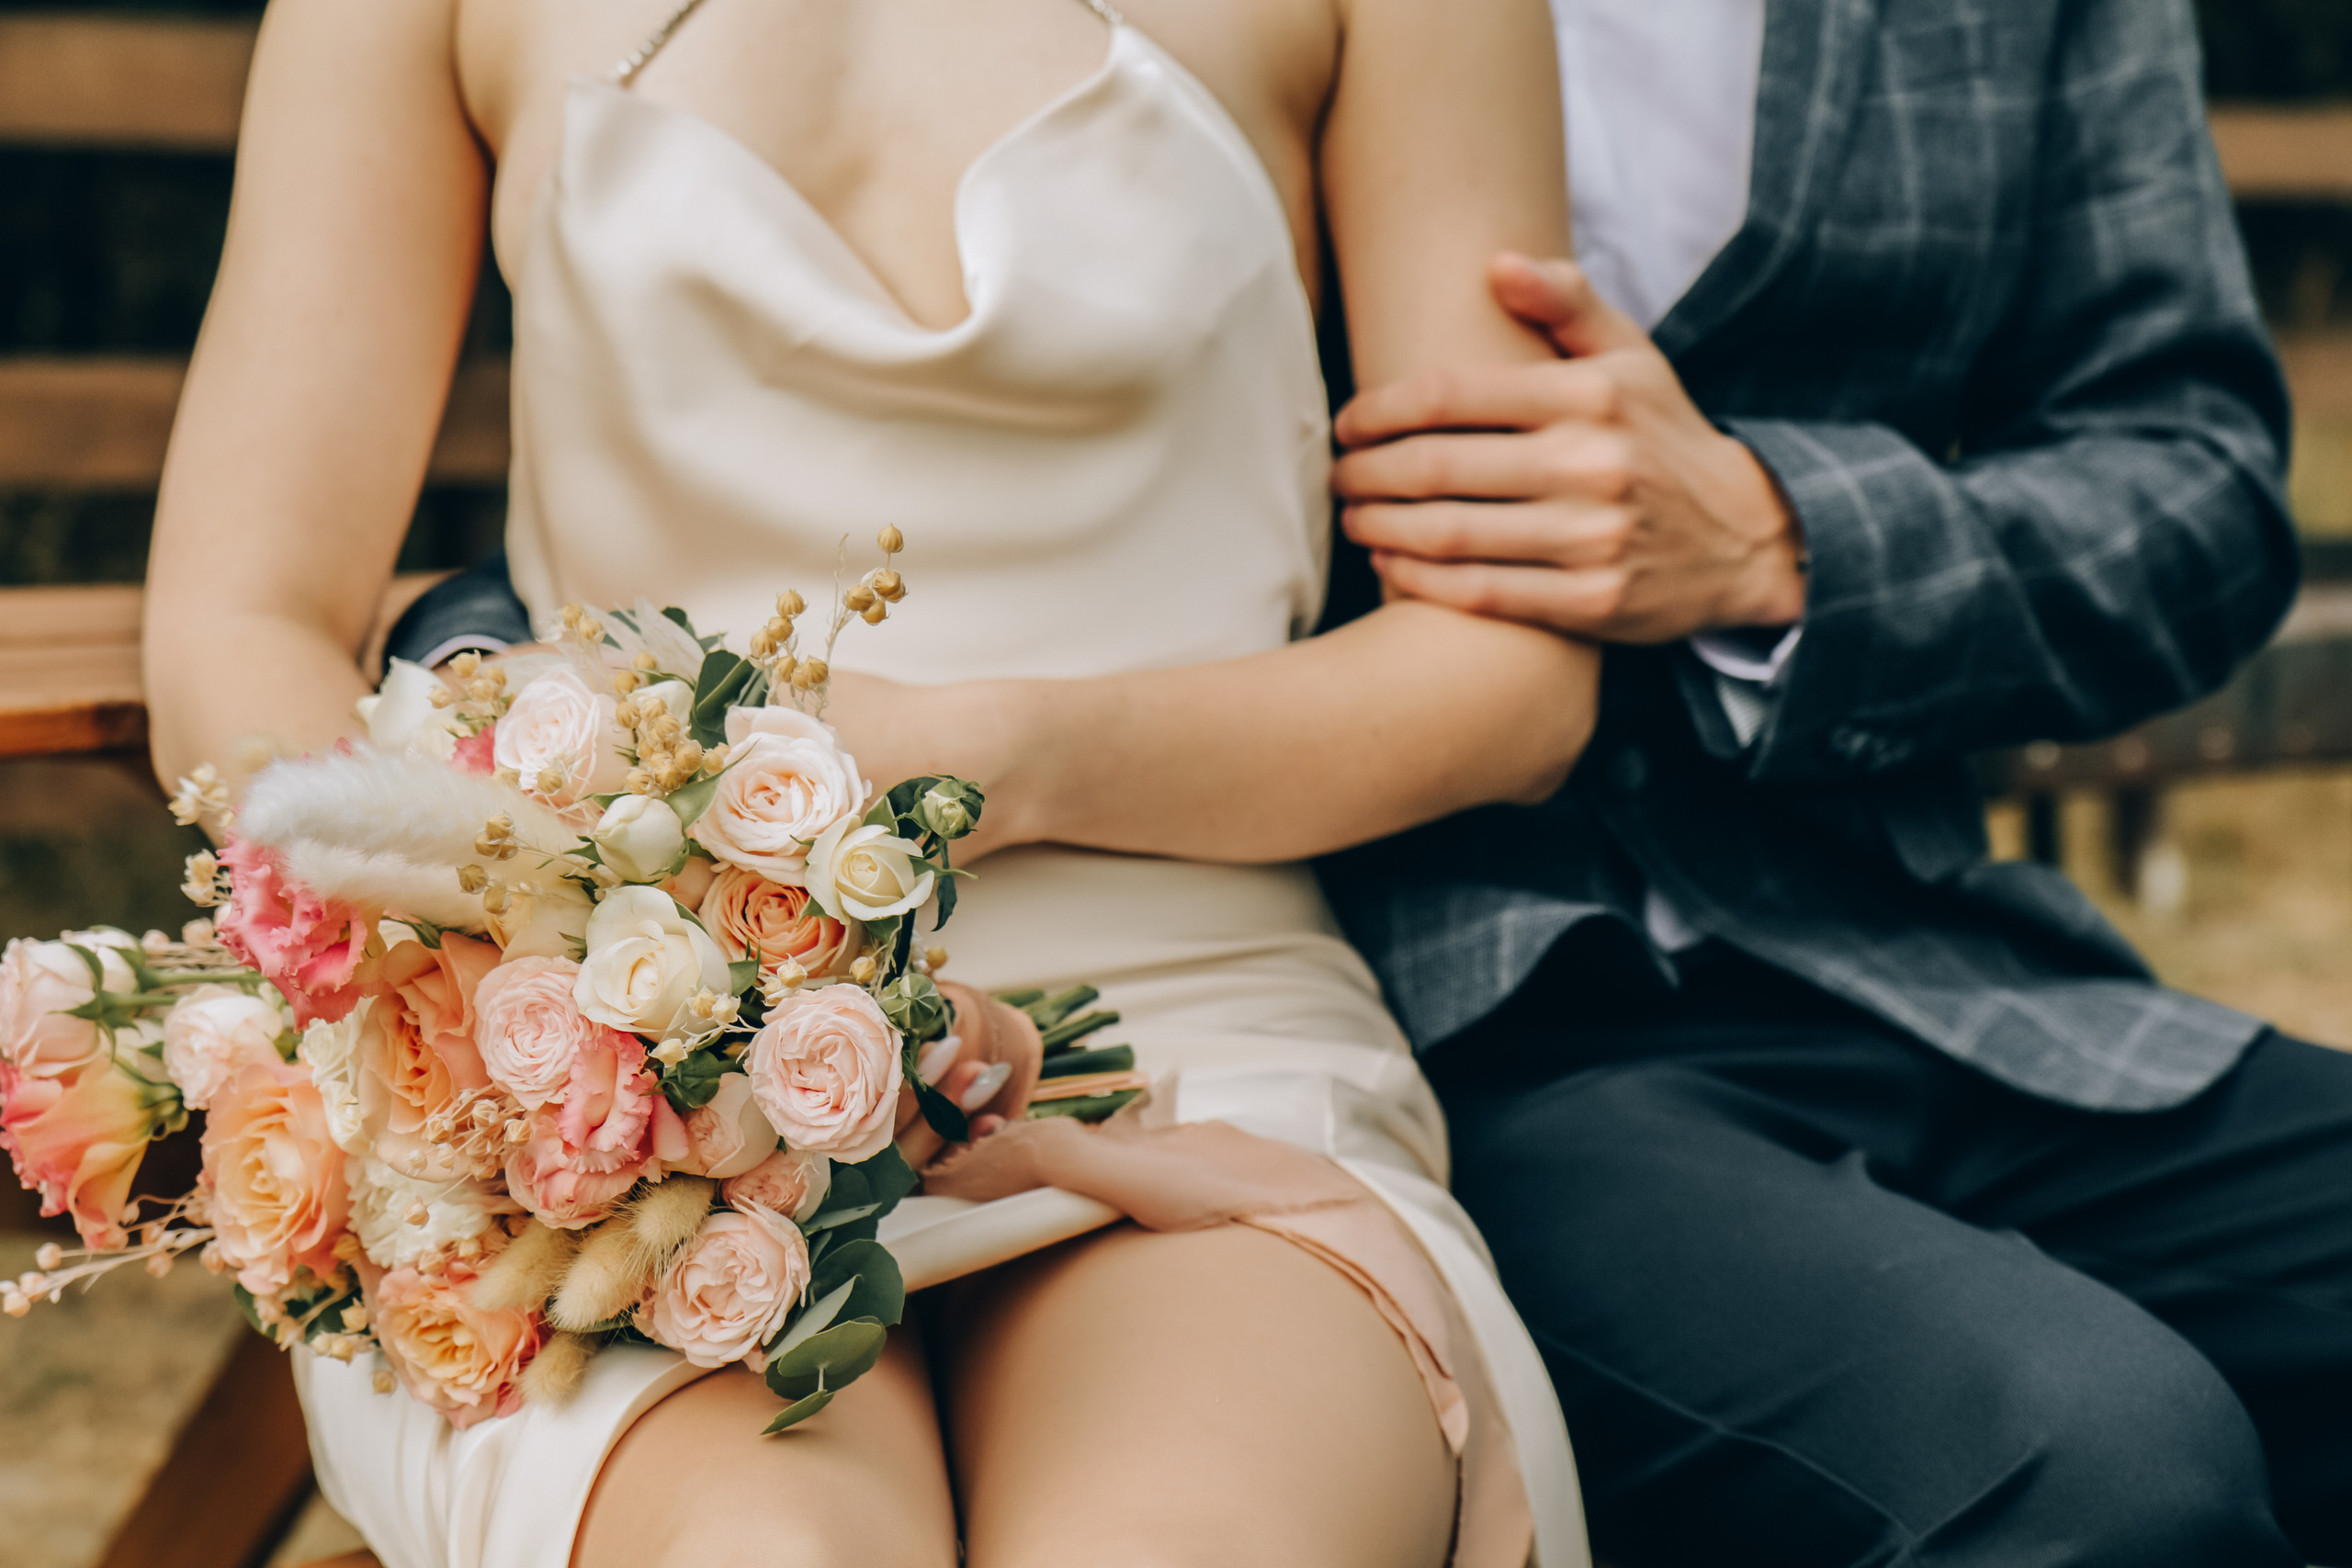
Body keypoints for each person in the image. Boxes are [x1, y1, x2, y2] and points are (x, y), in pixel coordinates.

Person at [141, 0, 1602, 1564]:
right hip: (626, 1074)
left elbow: (1509, 679)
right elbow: (244, 617)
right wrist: (517, 972)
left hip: (1177, 1027)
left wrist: (979, 758)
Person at [1317, 1, 2347, 1564]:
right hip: (1430, 1025)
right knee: (2094, 1465)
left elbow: (2195, 490)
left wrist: (1783, 541)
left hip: (1931, 972)